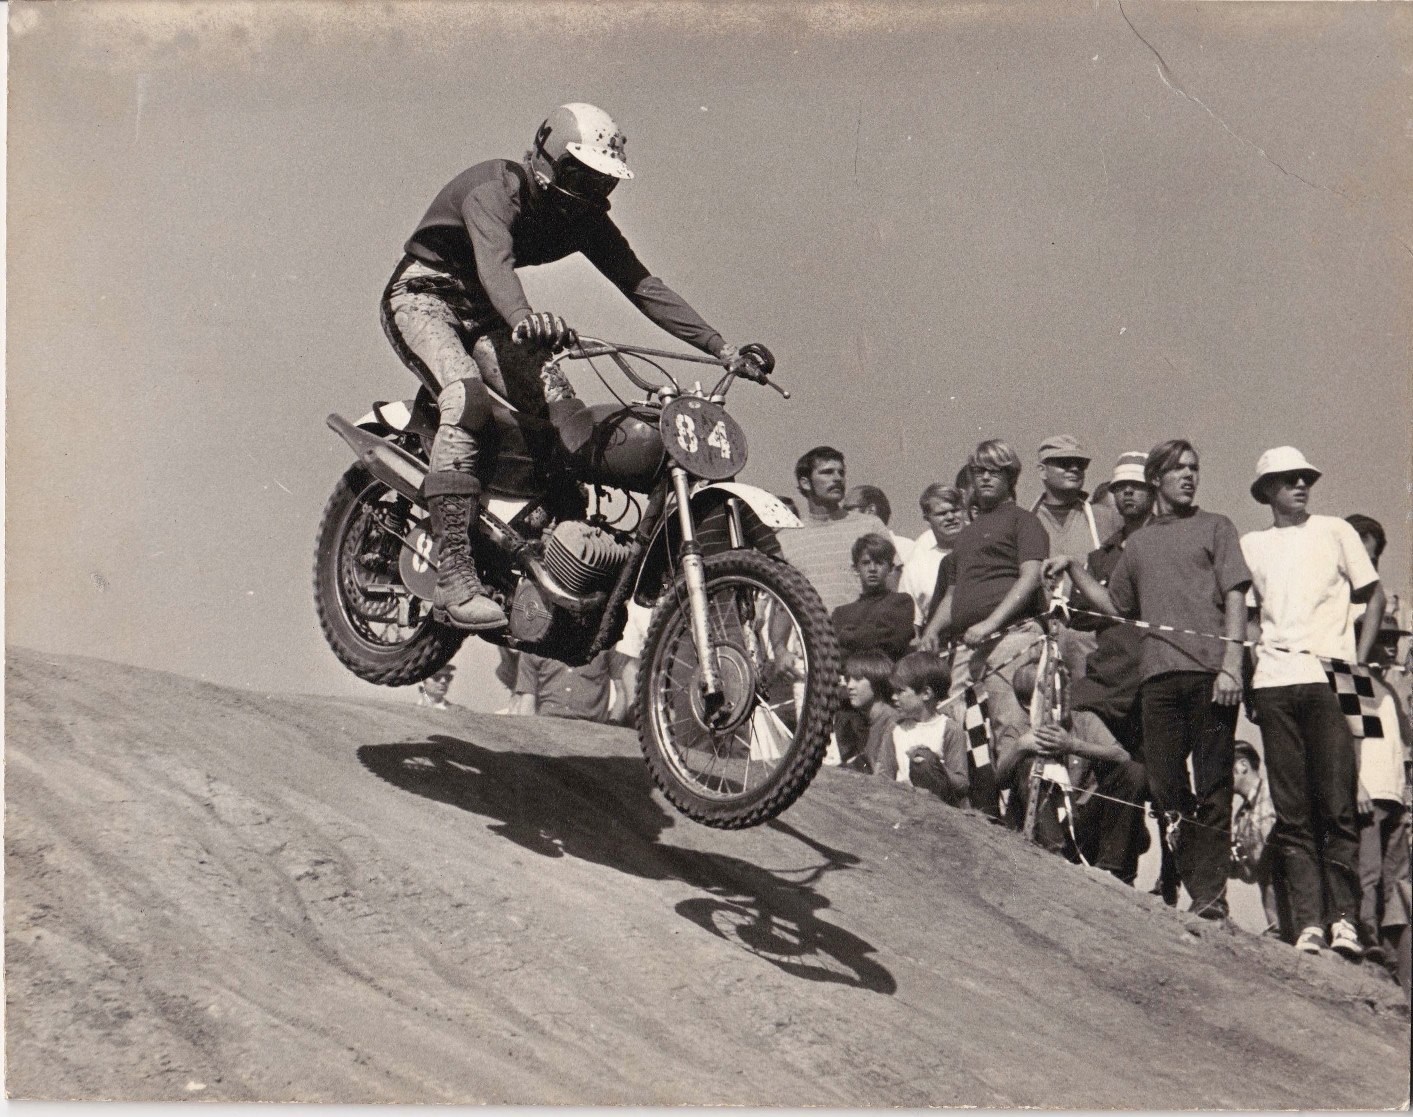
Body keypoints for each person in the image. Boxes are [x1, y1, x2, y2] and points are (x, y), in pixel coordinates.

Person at [381, 103, 746, 630]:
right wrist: (524, 319)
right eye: (583, 176)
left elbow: (641, 284)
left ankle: (552, 562)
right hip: (423, 296)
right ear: (548, 159)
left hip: (486, 314)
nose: (593, 193)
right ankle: (454, 578)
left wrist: (722, 348)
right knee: (465, 397)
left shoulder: (585, 221)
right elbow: (495, 264)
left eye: (603, 183)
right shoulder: (494, 188)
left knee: (561, 409)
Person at [1055, 440, 1250, 921]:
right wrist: (1077, 569)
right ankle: (1187, 873)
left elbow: (1237, 598)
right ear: (1156, 479)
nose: (1189, 476)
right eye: (1179, 469)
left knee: (1213, 785)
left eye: (1194, 468)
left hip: (1210, 676)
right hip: (1157, 679)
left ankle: (1209, 896)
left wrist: (1232, 665)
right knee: (1163, 785)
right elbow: (1117, 607)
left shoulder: (1217, 527)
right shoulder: (1139, 544)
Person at [1240, 448, 1383, 957]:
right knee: (1292, 809)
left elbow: (1375, 597)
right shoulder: (1252, 544)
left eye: (1306, 478)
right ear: (1267, 492)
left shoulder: (1336, 531)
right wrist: (1252, 669)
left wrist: (1358, 663)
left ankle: (1344, 919)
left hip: (1336, 675)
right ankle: (1309, 925)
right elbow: (1249, 618)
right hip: (1276, 681)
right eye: (1288, 480)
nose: (1300, 485)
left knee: (1339, 804)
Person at [918, 440, 1050, 736]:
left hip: (1013, 634)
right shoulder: (966, 535)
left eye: (995, 471)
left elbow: (1030, 578)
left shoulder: (1023, 521)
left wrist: (990, 623)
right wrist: (932, 630)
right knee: (957, 718)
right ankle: (982, 782)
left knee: (1008, 720)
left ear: (1010, 477)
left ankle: (1021, 780)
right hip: (972, 643)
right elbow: (953, 595)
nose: (986, 477)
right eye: (979, 471)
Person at [994, 663, 1150, 884]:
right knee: (1030, 765)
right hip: (1046, 826)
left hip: (1082, 821)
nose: (1062, 701)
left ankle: (1112, 872)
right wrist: (1020, 746)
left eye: (1064, 692)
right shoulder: (1018, 730)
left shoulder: (1084, 720)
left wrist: (1073, 745)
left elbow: (1122, 757)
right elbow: (999, 779)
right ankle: (1052, 857)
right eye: (1052, 695)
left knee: (1133, 772)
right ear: (1028, 703)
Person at [1030, 435, 1123, 684]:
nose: (1074, 468)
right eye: (1064, 462)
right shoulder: (1025, 522)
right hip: (1038, 636)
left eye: (1080, 464)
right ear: (1042, 470)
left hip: (1093, 637)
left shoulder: (1106, 519)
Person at [776, 447, 888, 613]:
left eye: (841, 473)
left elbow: (893, 580)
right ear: (805, 483)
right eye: (827, 472)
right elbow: (782, 603)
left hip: (869, 632)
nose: (837, 478)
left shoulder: (870, 526)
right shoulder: (785, 539)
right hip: (816, 635)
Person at [888, 651, 969, 806]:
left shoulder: (949, 728)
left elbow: (962, 784)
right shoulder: (895, 729)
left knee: (923, 761)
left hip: (940, 807)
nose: (893, 697)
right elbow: (883, 776)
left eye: (900, 691)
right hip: (901, 806)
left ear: (925, 693)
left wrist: (934, 765)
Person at [1231, 740, 1291, 941]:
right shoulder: (1240, 817)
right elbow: (1250, 875)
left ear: (1242, 766)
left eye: (1225, 768)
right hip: (1276, 917)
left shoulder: (1276, 793)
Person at [831, 535, 916, 662]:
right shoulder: (841, 613)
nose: (872, 569)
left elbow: (894, 643)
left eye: (879, 563)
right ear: (855, 569)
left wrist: (848, 636)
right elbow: (837, 654)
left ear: (891, 568)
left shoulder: (901, 602)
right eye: (865, 563)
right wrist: (877, 631)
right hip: (854, 680)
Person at [898, 483, 969, 630]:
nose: (950, 517)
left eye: (955, 510)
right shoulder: (915, 568)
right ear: (927, 518)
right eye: (942, 514)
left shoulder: (986, 546)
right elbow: (912, 625)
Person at [508, 649, 628, 724]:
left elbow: (623, 691)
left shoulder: (607, 641)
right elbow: (527, 701)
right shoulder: (532, 646)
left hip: (591, 731)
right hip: (547, 727)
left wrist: (613, 725)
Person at [841, 650, 900, 777]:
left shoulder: (892, 722)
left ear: (876, 681)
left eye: (857, 679)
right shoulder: (870, 720)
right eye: (848, 679)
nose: (850, 686)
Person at [844, 484, 915, 568]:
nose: (843, 515)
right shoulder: (845, 550)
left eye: (847, 509)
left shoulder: (907, 550)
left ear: (871, 510)